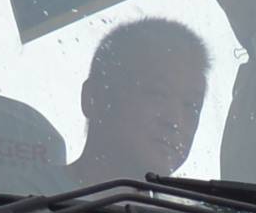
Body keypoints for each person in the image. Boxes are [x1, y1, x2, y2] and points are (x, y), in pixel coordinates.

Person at [75, 16, 213, 182]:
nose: (175, 121)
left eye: (191, 106)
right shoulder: (38, 201)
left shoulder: (189, 209)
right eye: (158, 94)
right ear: (95, 98)